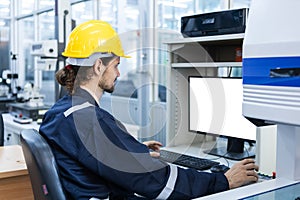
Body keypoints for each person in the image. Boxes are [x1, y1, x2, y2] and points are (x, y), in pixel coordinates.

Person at [39, 20, 259, 200]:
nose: (118, 73)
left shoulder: (63, 111)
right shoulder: (86, 119)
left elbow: (92, 154)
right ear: (98, 66)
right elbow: (157, 181)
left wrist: (132, 151)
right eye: (116, 65)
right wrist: (224, 181)